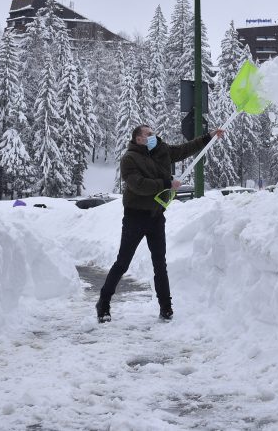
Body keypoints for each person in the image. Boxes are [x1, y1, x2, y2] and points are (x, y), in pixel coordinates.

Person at [96, 123, 225, 323]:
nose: (153, 136)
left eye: (153, 132)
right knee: (122, 263)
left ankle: (166, 308)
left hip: (156, 216)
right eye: (149, 134)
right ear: (138, 138)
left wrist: (209, 137)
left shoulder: (162, 150)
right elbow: (138, 185)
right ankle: (103, 303)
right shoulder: (129, 159)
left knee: (160, 264)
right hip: (135, 217)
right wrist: (166, 184)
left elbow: (184, 149)